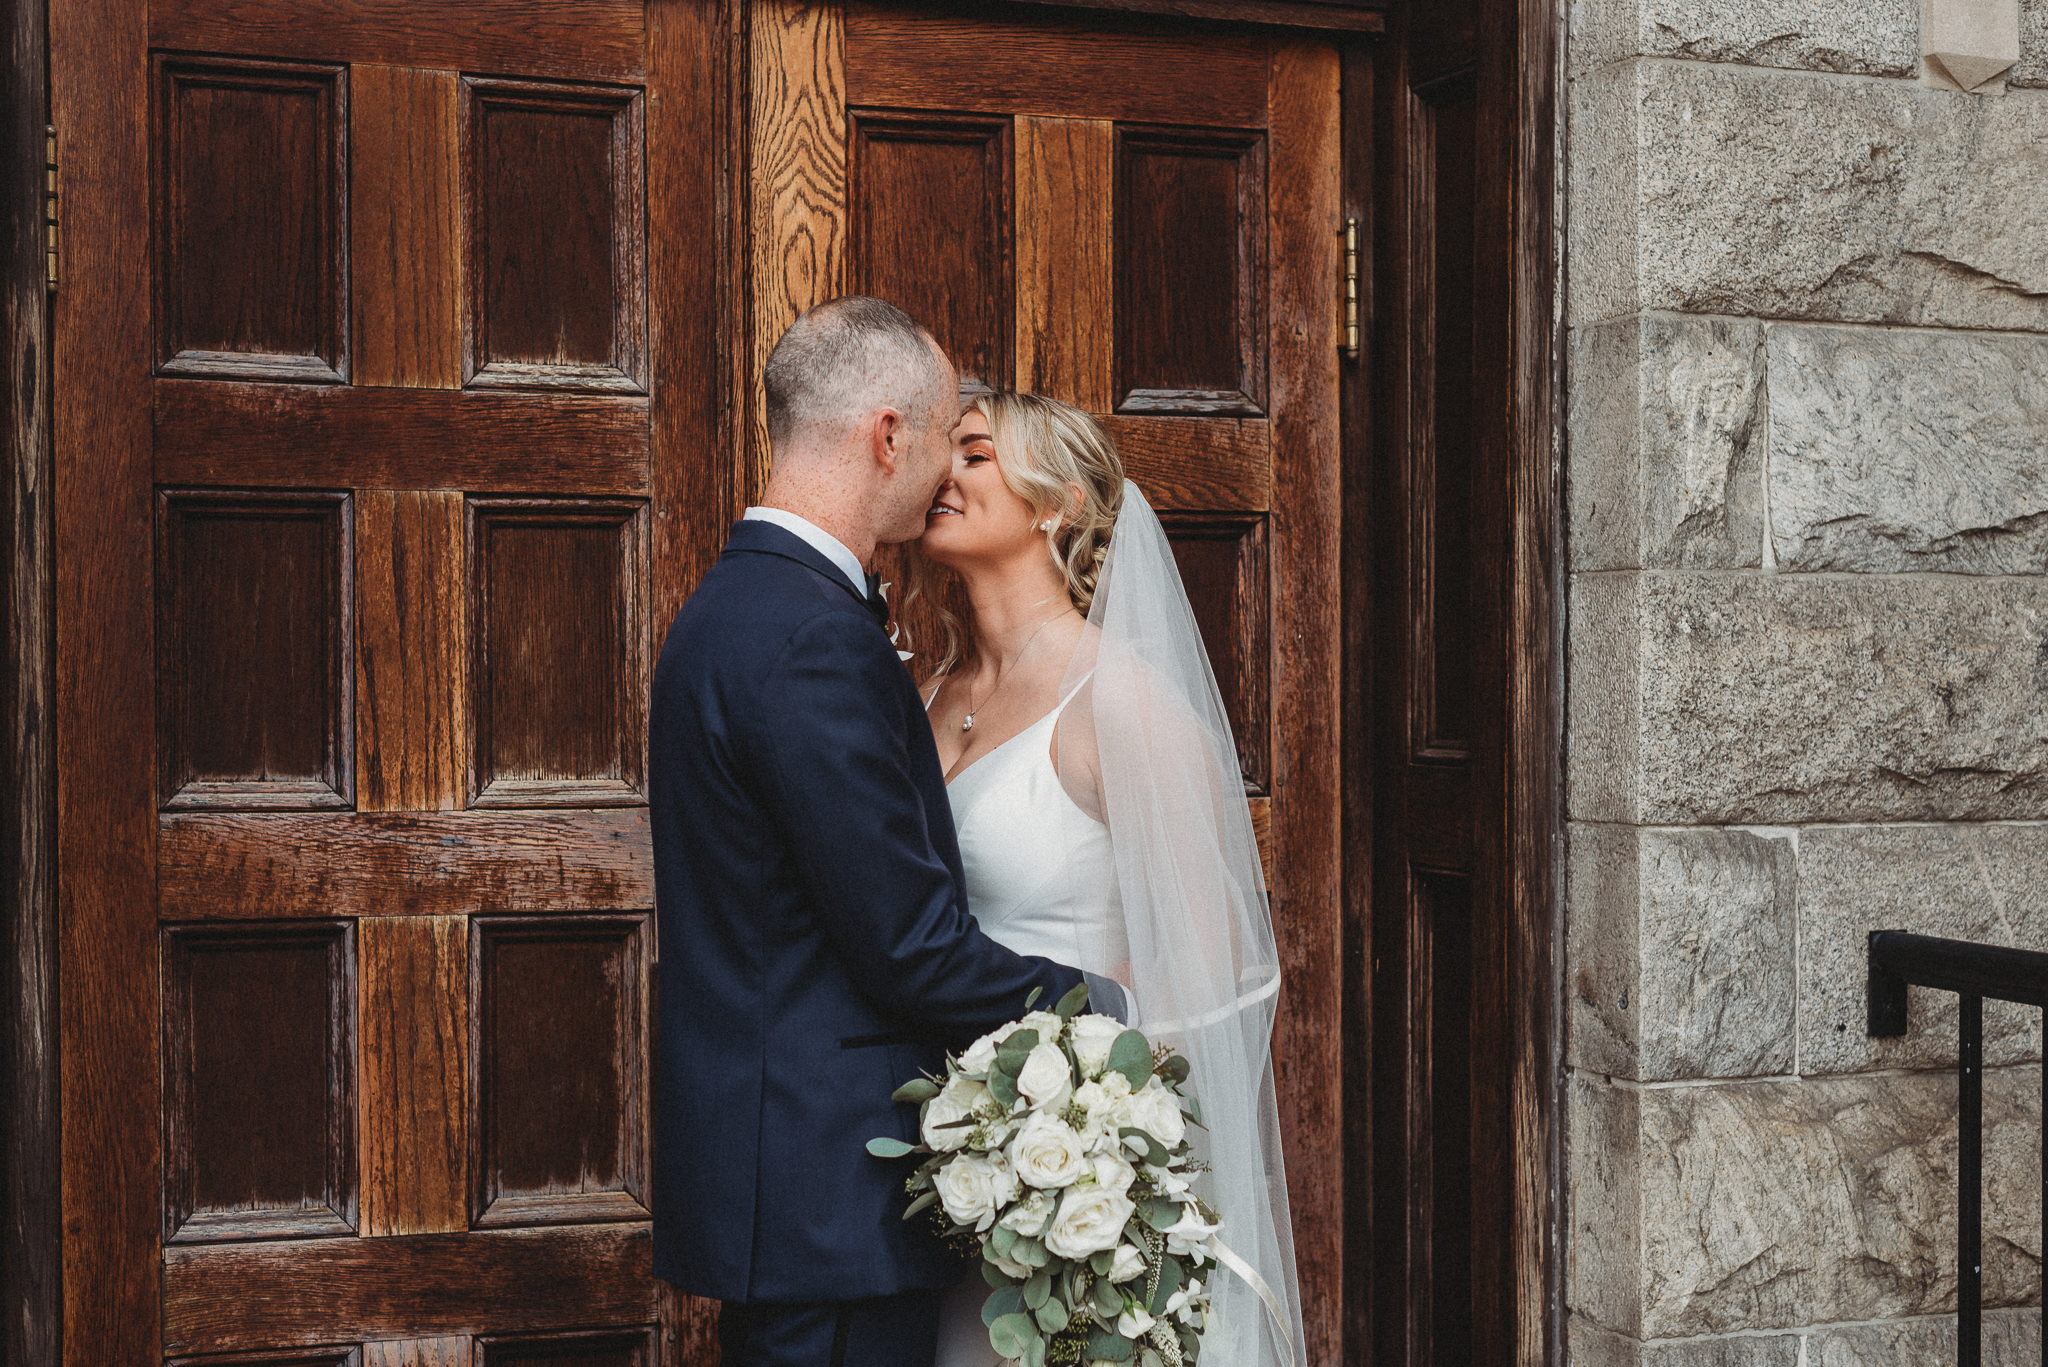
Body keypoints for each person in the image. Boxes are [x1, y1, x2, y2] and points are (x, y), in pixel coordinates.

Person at [648, 299, 1125, 1367]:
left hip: (799, 1188)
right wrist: (1112, 1011)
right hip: (828, 1204)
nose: (949, 468)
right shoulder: (816, 637)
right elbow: (909, 944)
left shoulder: (731, 606)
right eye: (947, 435)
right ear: (886, 437)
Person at [913, 392, 1305, 1367]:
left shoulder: (1121, 699)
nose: (942, 471)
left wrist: (1085, 1142)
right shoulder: (925, 696)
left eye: (974, 452)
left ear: (1060, 504)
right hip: (945, 1168)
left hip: (1066, 1181)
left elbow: (1209, 969)